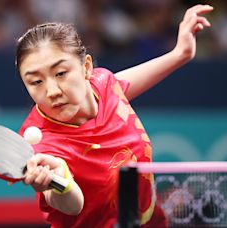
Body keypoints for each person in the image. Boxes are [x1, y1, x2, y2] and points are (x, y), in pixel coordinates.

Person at [16, 4, 213, 227]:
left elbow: (117, 87)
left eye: (61, 73)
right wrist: (61, 181)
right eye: (36, 82)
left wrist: (180, 54)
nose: (52, 91)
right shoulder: (43, 146)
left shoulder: (103, 85)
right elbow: (72, 205)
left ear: (86, 68)